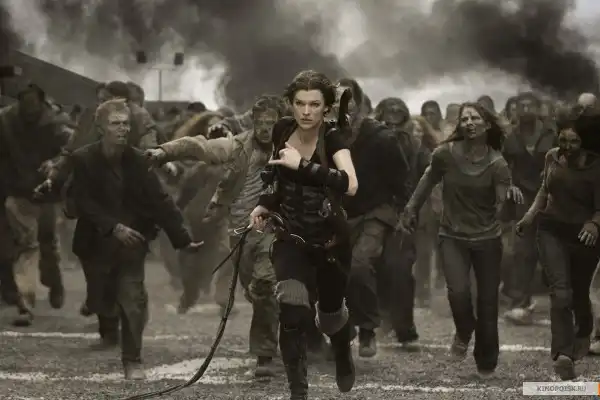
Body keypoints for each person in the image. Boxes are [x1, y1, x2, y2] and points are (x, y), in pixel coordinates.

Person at [68, 98, 201, 379]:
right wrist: (113, 227)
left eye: (126, 124)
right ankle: (106, 322)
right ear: (101, 128)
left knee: (132, 299)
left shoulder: (139, 160)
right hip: (95, 244)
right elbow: (83, 201)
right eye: (115, 123)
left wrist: (182, 239)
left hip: (132, 244)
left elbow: (160, 200)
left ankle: (133, 359)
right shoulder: (83, 159)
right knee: (102, 299)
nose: (123, 129)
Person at [249, 70, 358, 399]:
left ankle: (342, 350)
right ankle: (298, 392)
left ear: (326, 108)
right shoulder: (282, 130)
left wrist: (304, 166)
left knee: (330, 319)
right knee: (292, 310)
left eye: (314, 104)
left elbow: (350, 184)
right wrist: (263, 204)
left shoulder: (333, 138)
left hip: (330, 243)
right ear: (290, 104)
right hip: (291, 240)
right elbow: (275, 175)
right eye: (300, 103)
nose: (306, 111)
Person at [398, 102, 524, 377]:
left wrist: (510, 197)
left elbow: (502, 208)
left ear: (487, 125)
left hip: (487, 239)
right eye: (464, 119)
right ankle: (464, 330)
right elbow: (428, 179)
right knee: (458, 292)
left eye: (474, 118)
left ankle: (486, 360)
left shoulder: (497, 163)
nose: (468, 122)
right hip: (452, 235)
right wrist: (411, 208)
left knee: (487, 302)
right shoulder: (445, 154)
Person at [515, 106, 600, 380]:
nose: (567, 146)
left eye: (574, 141)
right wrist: (529, 216)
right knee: (560, 292)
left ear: (585, 142)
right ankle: (563, 354)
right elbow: (544, 190)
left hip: (585, 237)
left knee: (579, 293)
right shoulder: (552, 157)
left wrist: (594, 224)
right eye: (563, 140)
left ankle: (584, 329)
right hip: (551, 229)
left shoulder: (597, 166)